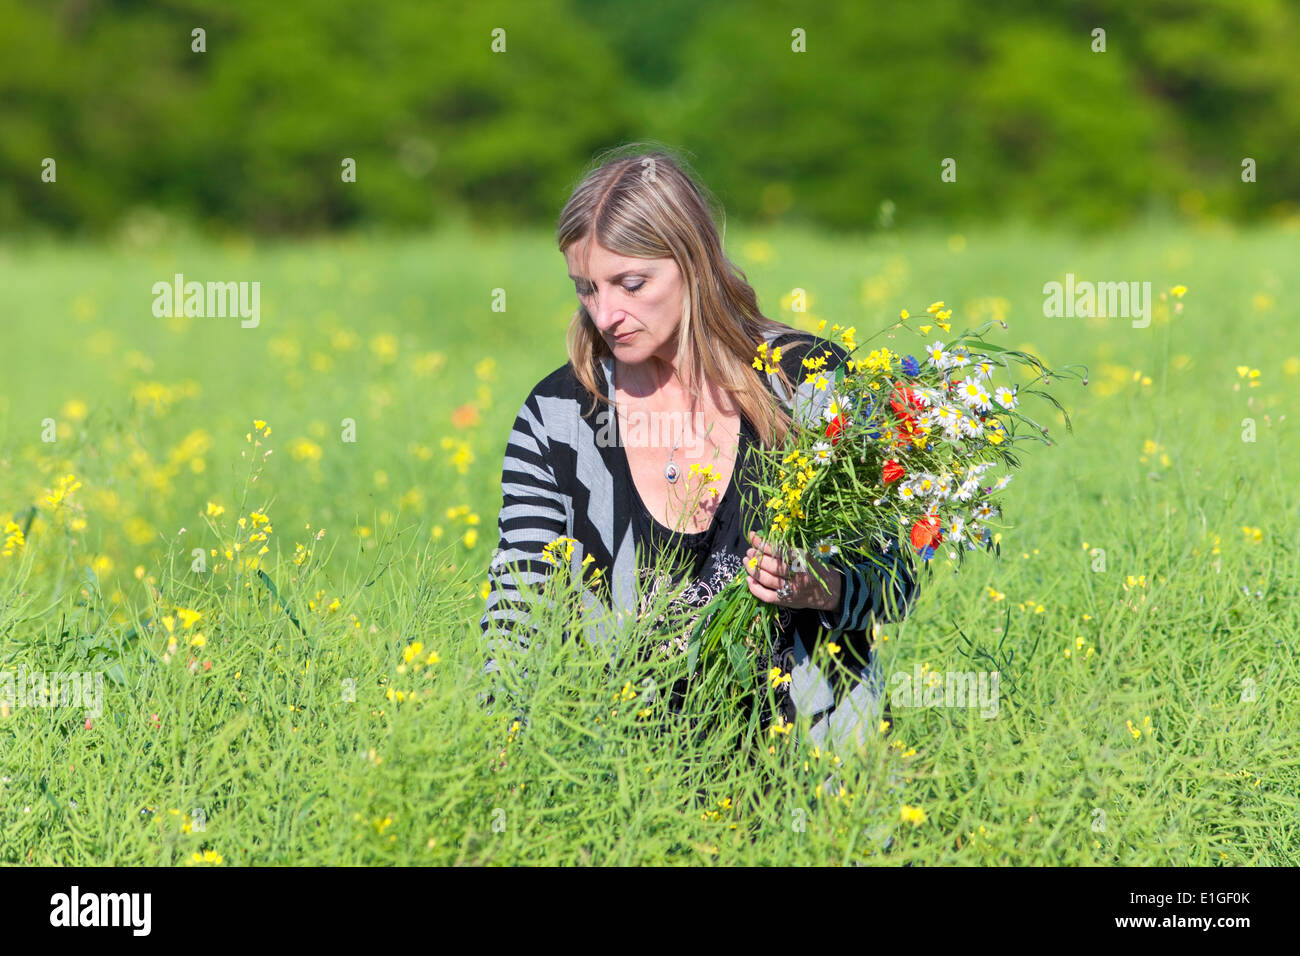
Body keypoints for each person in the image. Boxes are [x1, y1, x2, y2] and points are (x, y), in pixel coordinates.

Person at [479, 145, 920, 752]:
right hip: (631, 782)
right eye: (586, 289)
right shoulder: (558, 417)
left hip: (823, 780)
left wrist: (822, 585)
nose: (606, 314)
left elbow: (899, 576)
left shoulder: (811, 384)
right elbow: (518, 599)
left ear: (692, 262)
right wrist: (496, 743)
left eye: (631, 284)